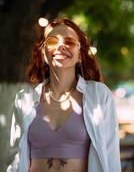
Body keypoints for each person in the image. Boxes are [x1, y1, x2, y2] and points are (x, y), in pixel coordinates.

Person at [7, 18, 121, 172]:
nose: (61, 46)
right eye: (53, 42)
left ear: (80, 54)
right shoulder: (24, 99)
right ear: (43, 54)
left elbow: (111, 155)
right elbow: (14, 160)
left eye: (70, 42)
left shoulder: (99, 95)